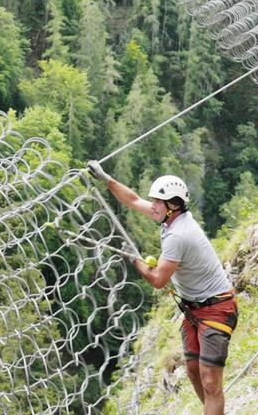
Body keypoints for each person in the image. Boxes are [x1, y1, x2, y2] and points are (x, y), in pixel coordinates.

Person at [87, 161, 235, 415]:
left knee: (210, 382)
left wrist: (135, 260)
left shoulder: (179, 235)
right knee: (192, 371)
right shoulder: (171, 219)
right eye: (154, 201)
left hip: (216, 308)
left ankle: (213, 406)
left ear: (173, 205)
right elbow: (133, 200)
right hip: (194, 309)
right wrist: (106, 179)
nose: (153, 206)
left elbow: (158, 280)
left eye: (158, 202)